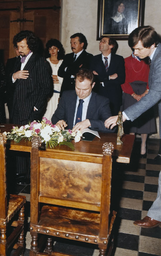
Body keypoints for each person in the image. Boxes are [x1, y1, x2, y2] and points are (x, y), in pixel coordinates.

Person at [105, 26, 161, 229]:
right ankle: (158, 214)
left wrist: (125, 115)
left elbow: (156, 93)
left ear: (152, 44)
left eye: (137, 49)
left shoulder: (160, 57)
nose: (134, 53)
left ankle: (157, 215)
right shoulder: (155, 55)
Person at [6, 30, 53, 125]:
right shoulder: (18, 61)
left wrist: (36, 107)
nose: (19, 50)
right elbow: (9, 83)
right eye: (18, 46)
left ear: (31, 45)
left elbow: (46, 88)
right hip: (16, 109)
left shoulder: (40, 62)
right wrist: (14, 76)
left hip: (31, 110)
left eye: (22, 47)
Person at [52, 69, 113, 133]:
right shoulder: (67, 96)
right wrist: (59, 122)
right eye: (78, 88)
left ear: (93, 85)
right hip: (69, 138)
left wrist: (90, 123)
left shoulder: (101, 101)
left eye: (85, 90)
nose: (80, 93)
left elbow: (111, 127)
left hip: (90, 140)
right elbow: (55, 118)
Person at [121, 53, 156, 157]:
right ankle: (131, 146)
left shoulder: (149, 60)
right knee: (131, 120)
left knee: (145, 120)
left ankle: (143, 145)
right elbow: (123, 80)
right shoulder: (125, 60)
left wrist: (145, 92)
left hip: (146, 90)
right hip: (130, 92)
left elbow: (153, 77)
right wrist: (134, 94)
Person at [90, 37, 125, 115]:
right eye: (100, 42)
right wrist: (109, 77)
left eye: (104, 42)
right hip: (98, 96)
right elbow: (93, 78)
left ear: (111, 46)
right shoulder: (94, 59)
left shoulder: (119, 59)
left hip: (114, 97)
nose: (100, 43)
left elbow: (121, 78)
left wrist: (103, 81)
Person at [43, 39, 65, 120]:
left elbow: (65, 79)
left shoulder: (63, 62)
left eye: (54, 48)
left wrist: (58, 78)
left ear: (58, 49)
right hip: (49, 95)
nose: (52, 51)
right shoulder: (45, 62)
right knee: (47, 116)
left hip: (60, 94)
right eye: (50, 49)